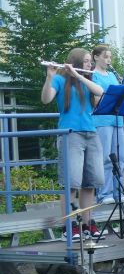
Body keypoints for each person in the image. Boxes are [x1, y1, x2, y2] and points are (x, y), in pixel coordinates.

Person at [42, 48, 106, 240]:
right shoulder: (60, 80)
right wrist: (49, 77)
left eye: (90, 61)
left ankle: (88, 223)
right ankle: (69, 226)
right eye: (86, 61)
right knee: (71, 183)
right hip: (71, 134)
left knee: (91, 182)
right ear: (76, 62)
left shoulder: (87, 80)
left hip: (91, 133)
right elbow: (46, 99)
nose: (90, 65)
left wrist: (78, 75)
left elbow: (100, 92)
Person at [91, 46, 124, 206]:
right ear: (96, 57)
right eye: (106, 57)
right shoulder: (93, 75)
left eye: (110, 57)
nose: (109, 60)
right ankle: (104, 193)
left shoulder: (112, 75)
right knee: (105, 157)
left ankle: (119, 192)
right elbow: (95, 100)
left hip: (117, 119)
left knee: (120, 157)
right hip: (102, 120)